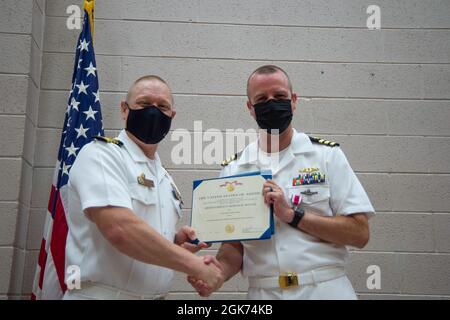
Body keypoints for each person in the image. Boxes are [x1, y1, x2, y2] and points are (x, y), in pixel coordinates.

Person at [188, 65, 375, 300]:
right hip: (264, 294)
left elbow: (359, 233)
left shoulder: (326, 156)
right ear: (251, 108)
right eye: (261, 99)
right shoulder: (234, 169)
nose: (271, 103)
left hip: (324, 289)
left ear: (294, 100)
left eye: (279, 96)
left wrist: (293, 215)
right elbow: (234, 247)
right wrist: (217, 274)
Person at [63, 75, 223, 300]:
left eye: (162, 106)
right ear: (124, 109)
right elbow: (120, 230)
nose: (153, 112)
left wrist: (175, 242)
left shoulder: (164, 176)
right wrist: (195, 266)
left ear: (171, 116)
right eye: (145, 104)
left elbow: (143, 236)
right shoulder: (101, 155)